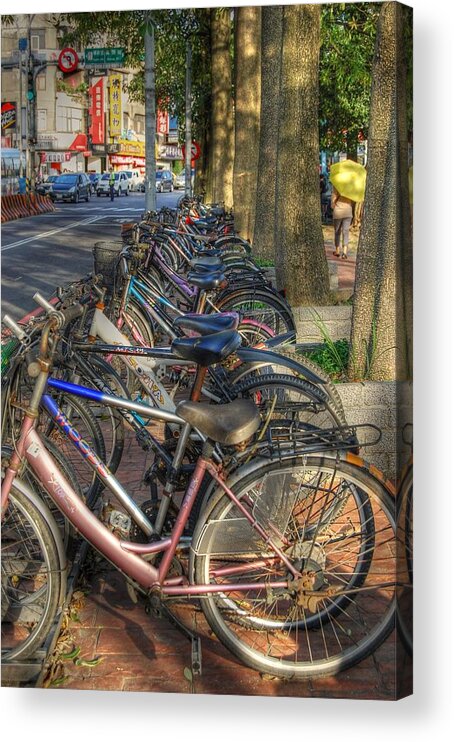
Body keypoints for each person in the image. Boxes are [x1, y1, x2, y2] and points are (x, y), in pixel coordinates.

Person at [331, 186, 353, 259]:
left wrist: (334, 205)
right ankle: (345, 252)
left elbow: (332, 202)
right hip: (348, 212)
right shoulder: (351, 187)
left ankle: (337, 251)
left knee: (337, 232)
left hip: (338, 212)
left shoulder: (337, 186)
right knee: (345, 232)